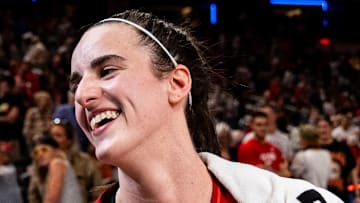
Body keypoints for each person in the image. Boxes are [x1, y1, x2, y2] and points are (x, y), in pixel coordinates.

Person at [70, 9, 343, 202]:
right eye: (75, 84)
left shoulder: (291, 199)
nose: (82, 95)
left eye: (107, 70)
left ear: (176, 84)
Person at [49, 118, 103, 202]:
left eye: (58, 136)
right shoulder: (42, 162)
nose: (53, 140)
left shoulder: (85, 162)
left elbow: (97, 191)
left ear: (69, 140)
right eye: (51, 136)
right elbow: (34, 194)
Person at [27, 135, 83, 203]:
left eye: (44, 150)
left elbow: (51, 199)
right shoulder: (57, 164)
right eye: (36, 152)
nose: (40, 155)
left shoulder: (56, 163)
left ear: (56, 150)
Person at [317, 117, 360, 203]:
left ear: (331, 128)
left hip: (340, 196)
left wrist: (357, 194)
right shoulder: (312, 149)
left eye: (325, 126)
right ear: (316, 130)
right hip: (319, 197)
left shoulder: (342, 147)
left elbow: (353, 170)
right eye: (319, 127)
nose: (322, 130)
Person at [237, 111, 290, 177]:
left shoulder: (275, 149)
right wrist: (278, 172)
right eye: (259, 125)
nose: (263, 128)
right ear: (252, 126)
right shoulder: (246, 148)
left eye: (265, 125)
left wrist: (268, 170)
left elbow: (286, 173)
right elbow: (257, 175)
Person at [290, 124, 332, 188]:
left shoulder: (302, 155)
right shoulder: (326, 153)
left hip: (308, 193)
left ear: (306, 139)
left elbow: (294, 176)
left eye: (301, 138)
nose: (299, 141)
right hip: (324, 192)